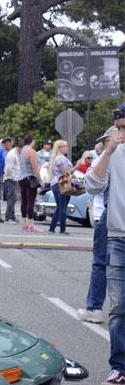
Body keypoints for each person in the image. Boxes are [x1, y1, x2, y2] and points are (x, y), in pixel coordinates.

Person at [84, 105, 125, 385]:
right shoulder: (113, 153)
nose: (121, 133)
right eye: (118, 128)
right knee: (119, 306)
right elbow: (92, 184)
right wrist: (108, 151)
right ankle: (119, 368)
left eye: (124, 127)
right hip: (118, 237)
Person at [79, 136, 110, 324]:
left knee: (101, 263)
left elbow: (91, 184)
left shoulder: (108, 156)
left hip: (106, 215)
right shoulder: (107, 156)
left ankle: (94, 307)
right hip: (105, 214)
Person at [48, 139, 74, 235]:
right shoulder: (61, 158)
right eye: (65, 146)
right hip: (62, 184)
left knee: (59, 207)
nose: (67, 148)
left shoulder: (56, 158)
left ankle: (52, 228)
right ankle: (62, 229)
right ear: (60, 148)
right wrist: (77, 166)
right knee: (63, 207)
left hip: (55, 183)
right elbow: (66, 172)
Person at [17, 135, 42, 232]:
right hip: (30, 177)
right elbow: (35, 167)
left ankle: (24, 223)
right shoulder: (31, 151)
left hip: (21, 177)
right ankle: (31, 225)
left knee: (24, 201)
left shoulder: (22, 150)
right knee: (31, 201)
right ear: (32, 141)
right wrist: (40, 180)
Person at [3, 138, 21, 223]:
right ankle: (8, 217)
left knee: (13, 198)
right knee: (11, 198)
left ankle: (12, 216)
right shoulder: (12, 155)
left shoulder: (16, 153)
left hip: (13, 178)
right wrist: (14, 177)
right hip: (10, 178)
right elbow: (9, 169)